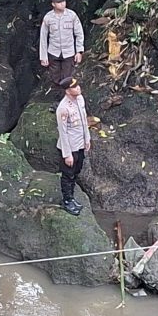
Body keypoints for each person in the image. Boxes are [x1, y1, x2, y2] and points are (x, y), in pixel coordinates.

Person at [55, 77, 91, 215]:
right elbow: (63, 132)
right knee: (67, 174)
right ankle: (67, 200)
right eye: (74, 87)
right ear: (68, 91)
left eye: (78, 85)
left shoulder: (80, 99)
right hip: (69, 147)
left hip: (80, 144)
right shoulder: (63, 109)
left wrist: (87, 139)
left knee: (76, 171)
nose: (78, 88)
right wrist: (67, 154)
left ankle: (71, 197)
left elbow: (84, 121)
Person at [38, 0, 85, 89]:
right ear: (53, 4)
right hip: (53, 52)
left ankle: (66, 96)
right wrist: (43, 56)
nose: (62, 4)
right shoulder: (48, 17)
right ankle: (57, 96)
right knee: (55, 77)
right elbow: (43, 37)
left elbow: (79, 33)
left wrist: (79, 51)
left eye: (63, 1)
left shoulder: (72, 15)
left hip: (69, 52)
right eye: (59, 2)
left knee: (67, 78)